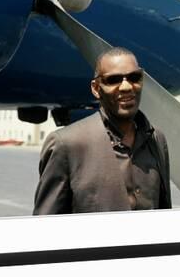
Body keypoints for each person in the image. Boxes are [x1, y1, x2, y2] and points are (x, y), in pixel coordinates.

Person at [33, 47, 171, 214]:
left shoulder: (157, 139)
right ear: (96, 88)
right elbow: (46, 226)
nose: (126, 87)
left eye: (135, 77)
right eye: (114, 80)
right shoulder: (66, 144)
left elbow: (164, 213)